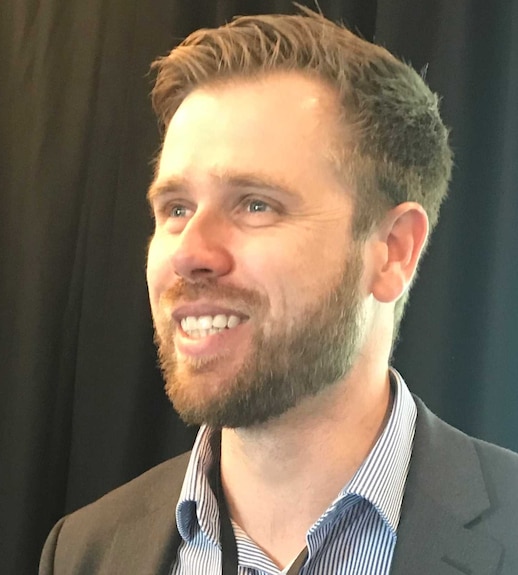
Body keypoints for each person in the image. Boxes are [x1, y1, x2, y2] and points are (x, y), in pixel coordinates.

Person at [39, 8, 518, 575]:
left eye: (256, 204)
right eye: (176, 209)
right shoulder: (84, 550)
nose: (190, 253)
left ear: (392, 250)